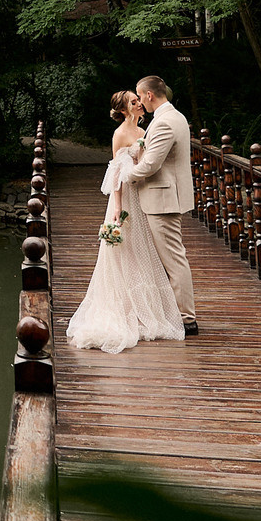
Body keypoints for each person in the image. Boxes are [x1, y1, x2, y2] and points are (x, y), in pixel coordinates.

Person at [66, 90, 186, 353]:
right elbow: (117, 171)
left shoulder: (144, 129)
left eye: (138, 100)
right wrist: (118, 207)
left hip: (143, 194)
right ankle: (126, 307)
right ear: (123, 110)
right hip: (126, 197)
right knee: (126, 249)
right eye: (134, 102)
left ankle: (148, 308)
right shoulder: (120, 134)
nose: (139, 103)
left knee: (144, 249)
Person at [122, 75, 199, 336]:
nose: (140, 101)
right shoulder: (175, 117)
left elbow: (151, 164)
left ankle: (187, 319)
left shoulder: (165, 122)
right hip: (165, 197)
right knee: (172, 257)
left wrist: (125, 176)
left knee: (174, 260)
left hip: (163, 200)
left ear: (149, 95)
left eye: (139, 96)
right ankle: (175, 312)